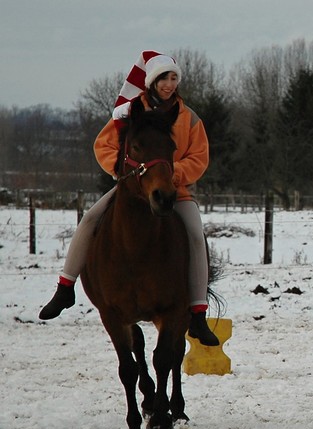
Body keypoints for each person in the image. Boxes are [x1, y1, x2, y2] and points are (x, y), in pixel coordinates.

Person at [39, 51, 220, 346]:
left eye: (174, 78)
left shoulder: (189, 118)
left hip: (175, 191)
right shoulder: (128, 114)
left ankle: (198, 314)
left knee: (196, 237)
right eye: (164, 78)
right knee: (89, 219)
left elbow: (199, 158)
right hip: (131, 187)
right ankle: (65, 288)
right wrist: (122, 170)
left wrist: (172, 176)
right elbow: (104, 145)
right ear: (152, 82)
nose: (170, 84)